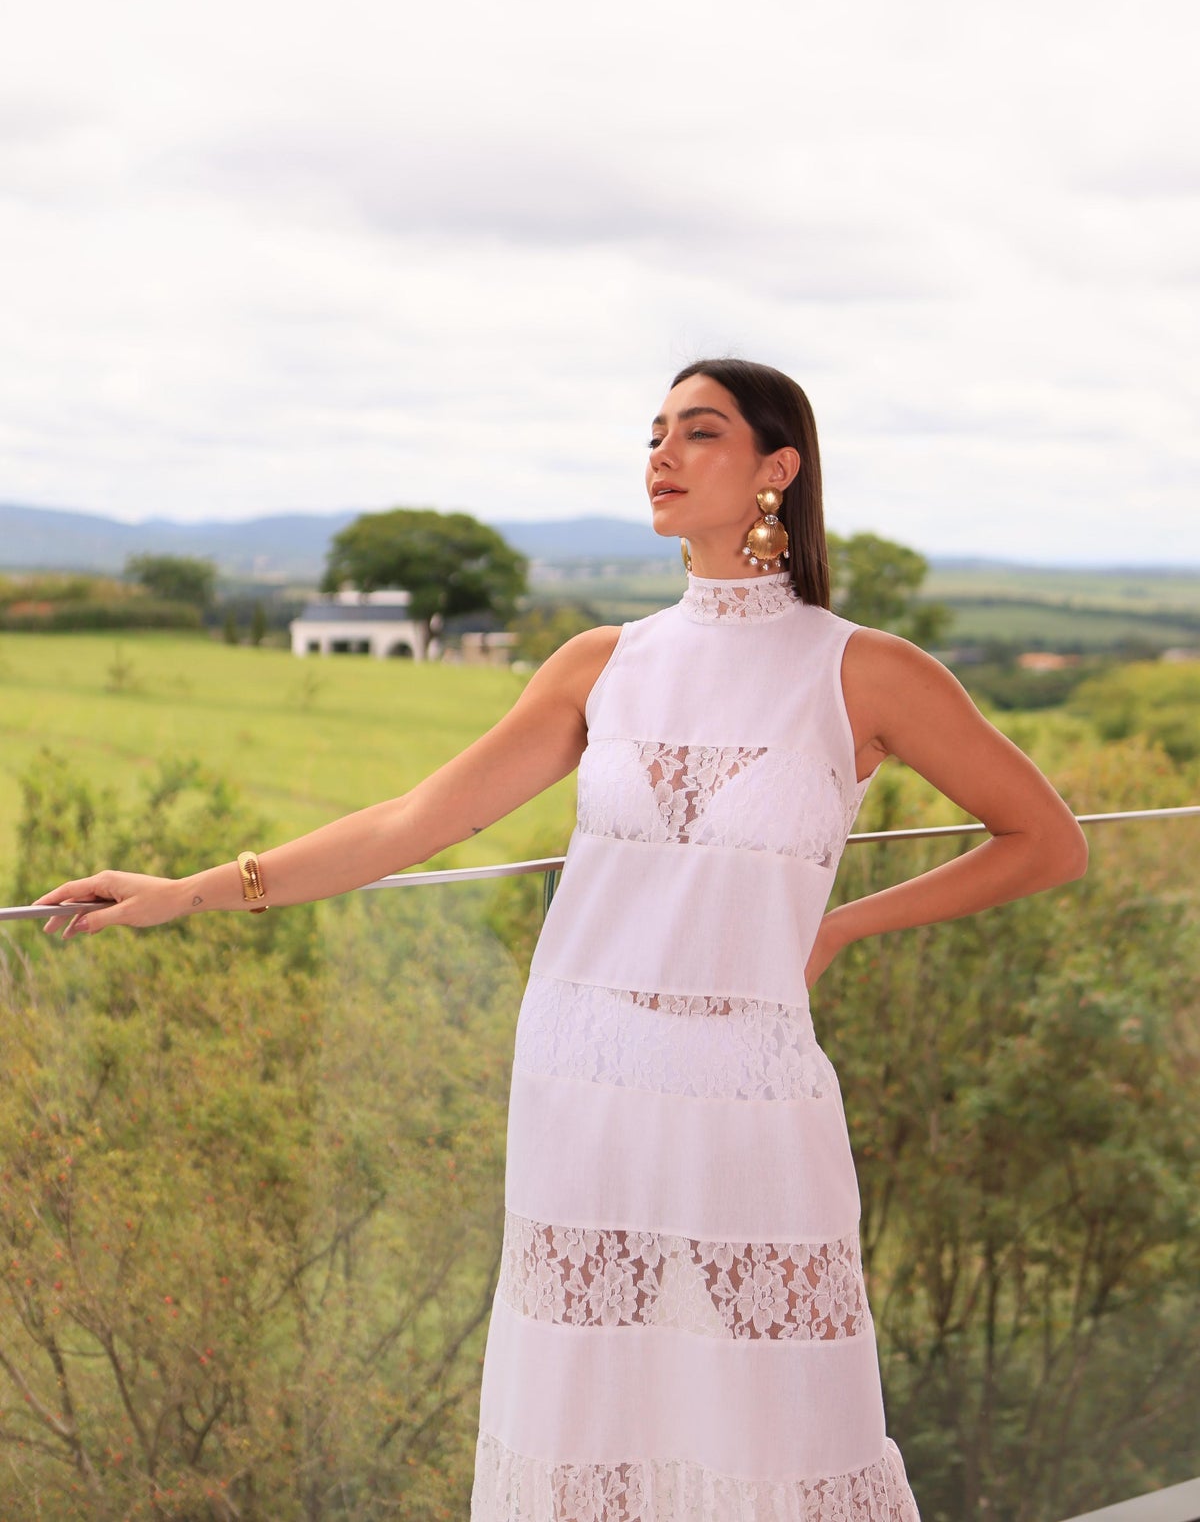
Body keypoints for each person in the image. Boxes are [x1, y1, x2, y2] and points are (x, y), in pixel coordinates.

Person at [39, 358, 1088, 1521]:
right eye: (654, 434)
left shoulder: (863, 670)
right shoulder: (605, 663)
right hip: (582, 1089)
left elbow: (1044, 840)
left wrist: (841, 926)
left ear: (775, 471)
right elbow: (412, 823)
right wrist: (191, 891)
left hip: (753, 1099)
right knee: (591, 1421)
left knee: (789, 1417)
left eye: (698, 434)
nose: (661, 456)